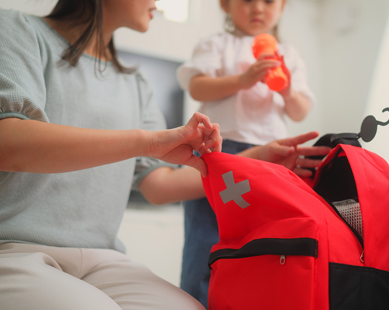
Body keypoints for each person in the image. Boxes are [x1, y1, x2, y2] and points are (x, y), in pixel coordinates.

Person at [0, 1, 330, 309]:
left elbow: (158, 186)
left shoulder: (136, 84)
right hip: (15, 249)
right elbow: (9, 142)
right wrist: (147, 141)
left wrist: (255, 158)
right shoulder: (18, 30)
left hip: (105, 259)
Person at [176, 0, 316, 306]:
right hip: (221, 151)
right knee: (205, 235)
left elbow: (300, 110)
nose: (257, 8)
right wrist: (243, 80)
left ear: (282, 6)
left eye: (268, 1)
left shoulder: (288, 55)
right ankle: (195, 300)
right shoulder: (218, 44)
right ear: (226, 5)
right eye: (247, 1)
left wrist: (287, 91)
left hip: (271, 157)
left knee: (261, 235)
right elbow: (197, 87)